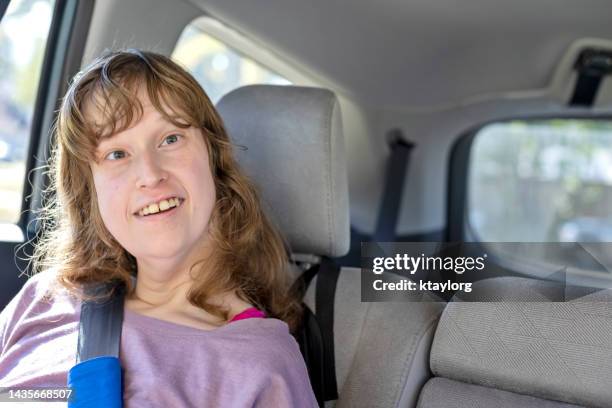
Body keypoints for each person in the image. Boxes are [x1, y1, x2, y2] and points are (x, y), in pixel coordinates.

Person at [0, 49, 318, 407]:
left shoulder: (259, 363)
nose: (150, 174)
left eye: (170, 139)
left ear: (214, 157)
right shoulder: (43, 299)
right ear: (90, 192)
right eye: (116, 154)